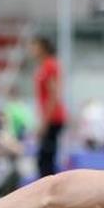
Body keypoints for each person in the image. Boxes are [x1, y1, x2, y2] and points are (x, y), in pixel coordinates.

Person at [29, 36, 66, 179]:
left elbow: (54, 95)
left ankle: (50, 195)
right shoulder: (43, 66)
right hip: (49, 117)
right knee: (44, 159)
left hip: (53, 118)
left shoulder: (50, 65)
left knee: (45, 161)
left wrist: (45, 122)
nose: (31, 50)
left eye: (34, 46)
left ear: (43, 47)